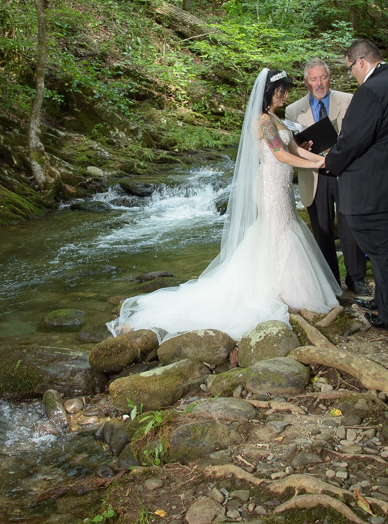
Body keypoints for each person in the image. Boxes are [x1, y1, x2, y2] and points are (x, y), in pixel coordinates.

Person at [111, 68, 341, 340]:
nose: (287, 95)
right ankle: (280, 290)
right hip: (270, 184)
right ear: (271, 92)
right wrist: (316, 164)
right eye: (283, 90)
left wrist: (319, 161)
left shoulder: (274, 119)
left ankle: (284, 287)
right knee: (278, 231)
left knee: (284, 229)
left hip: (280, 184)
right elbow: (280, 156)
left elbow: (293, 149)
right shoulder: (263, 122)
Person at [324, 40, 388, 334]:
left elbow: (352, 141)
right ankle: (383, 303)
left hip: (378, 193)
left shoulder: (370, 91)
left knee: (383, 252)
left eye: (349, 68)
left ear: (359, 62)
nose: (351, 75)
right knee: (387, 248)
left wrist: (330, 162)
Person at [285, 58, 370, 297]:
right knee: (322, 229)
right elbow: (292, 147)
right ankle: (330, 281)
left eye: (323, 77)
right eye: (314, 79)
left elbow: (360, 136)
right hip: (314, 176)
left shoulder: (348, 100)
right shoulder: (293, 110)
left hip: (344, 172)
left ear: (329, 77)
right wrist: (300, 144)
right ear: (306, 82)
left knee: (349, 225)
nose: (319, 83)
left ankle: (355, 278)